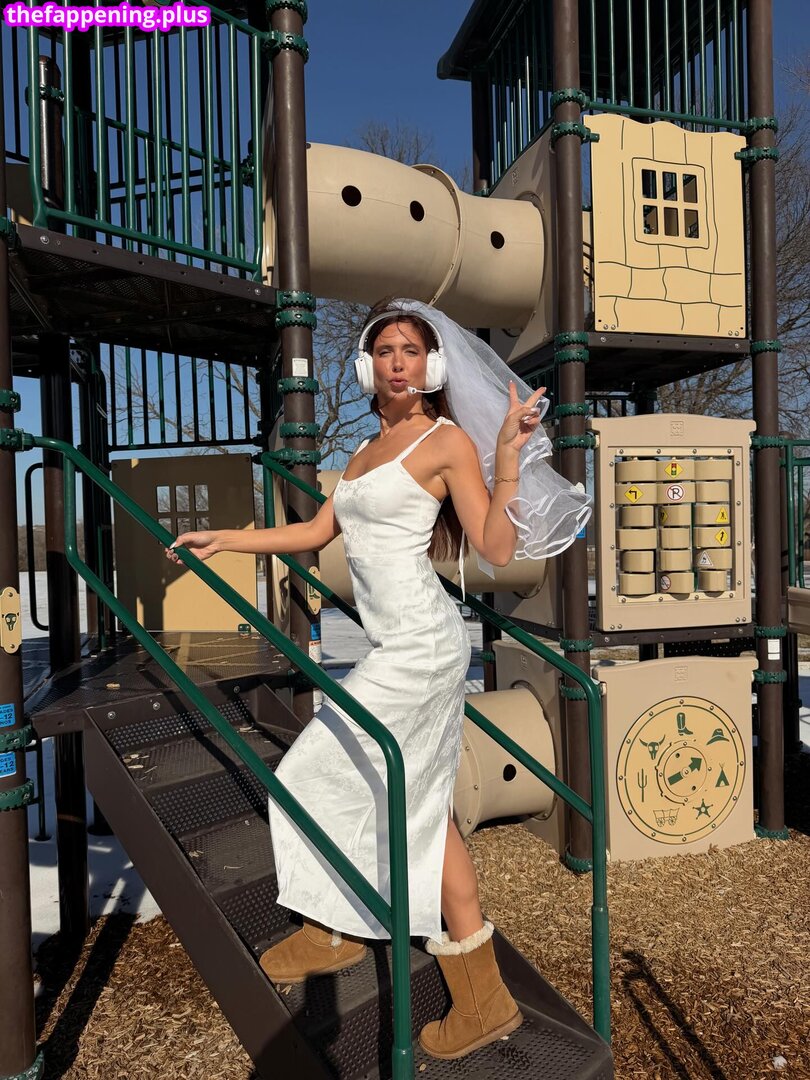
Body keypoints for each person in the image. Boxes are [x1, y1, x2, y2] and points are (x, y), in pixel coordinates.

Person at [165, 298, 591, 1060]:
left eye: (410, 350)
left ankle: (338, 930)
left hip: (424, 648)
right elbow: (316, 531)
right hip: (393, 646)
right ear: (368, 367)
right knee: (415, 804)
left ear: (431, 366)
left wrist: (504, 455)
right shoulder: (364, 452)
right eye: (386, 350)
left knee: (311, 770)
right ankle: (474, 993)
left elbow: (495, 545)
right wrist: (225, 539)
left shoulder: (445, 441)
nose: (398, 361)